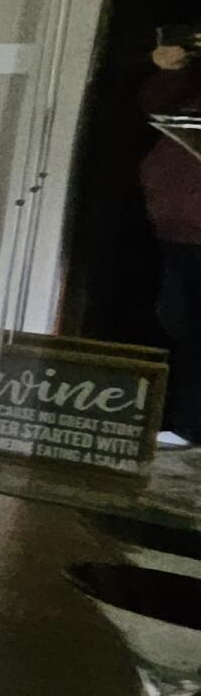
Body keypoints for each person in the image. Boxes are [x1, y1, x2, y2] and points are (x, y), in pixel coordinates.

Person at [139, 27, 201, 449]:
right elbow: (154, 104)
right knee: (182, 322)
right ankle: (188, 426)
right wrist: (172, 66)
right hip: (180, 228)